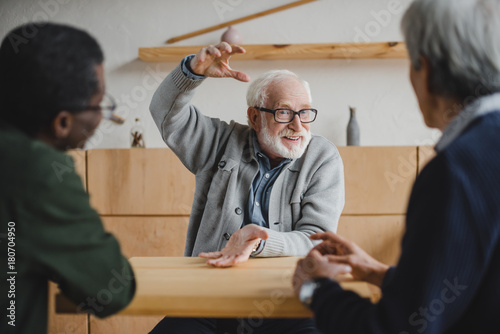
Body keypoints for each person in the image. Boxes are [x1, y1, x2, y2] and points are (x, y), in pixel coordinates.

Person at [292, 0, 500, 333]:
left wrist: (315, 288)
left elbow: (397, 327)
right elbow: (468, 286)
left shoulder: (455, 172)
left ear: (426, 70)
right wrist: (378, 272)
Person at [149, 43, 344, 333]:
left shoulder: (323, 158)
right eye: (283, 113)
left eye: (304, 113)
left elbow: (316, 240)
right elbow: (165, 112)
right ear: (255, 117)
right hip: (209, 300)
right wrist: (191, 73)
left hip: (287, 302)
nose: (297, 125)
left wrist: (261, 241)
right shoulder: (218, 142)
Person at [0, 23, 135, 334]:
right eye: (100, 105)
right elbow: (111, 291)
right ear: (62, 122)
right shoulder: (36, 171)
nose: (102, 116)